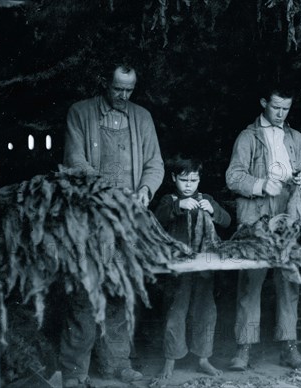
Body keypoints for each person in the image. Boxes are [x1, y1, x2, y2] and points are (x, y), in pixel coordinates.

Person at [61, 62, 164, 387]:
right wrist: (106, 195)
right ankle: (75, 372)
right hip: (90, 219)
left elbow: (155, 163)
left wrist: (146, 189)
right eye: (118, 88)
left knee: (121, 291)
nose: (123, 95)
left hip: (128, 221)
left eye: (129, 90)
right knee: (85, 293)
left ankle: (116, 364)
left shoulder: (142, 117)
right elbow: (75, 161)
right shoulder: (80, 113)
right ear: (104, 82)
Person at [225, 82, 301, 370]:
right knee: (250, 284)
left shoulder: (296, 138)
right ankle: (244, 349)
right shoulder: (247, 137)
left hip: (288, 220)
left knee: (289, 283)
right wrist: (260, 184)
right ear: (264, 102)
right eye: (276, 107)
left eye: (286, 108)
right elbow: (233, 177)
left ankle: (289, 347)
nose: (280, 113)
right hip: (256, 221)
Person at [154, 156, 231, 379]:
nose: (188, 185)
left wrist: (213, 210)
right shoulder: (168, 200)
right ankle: (170, 360)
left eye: (194, 180)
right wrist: (178, 206)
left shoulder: (206, 198)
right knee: (175, 313)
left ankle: (203, 359)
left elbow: (227, 221)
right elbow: (156, 220)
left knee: (206, 312)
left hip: (203, 267)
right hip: (177, 268)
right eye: (184, 180)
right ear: (173, 178)